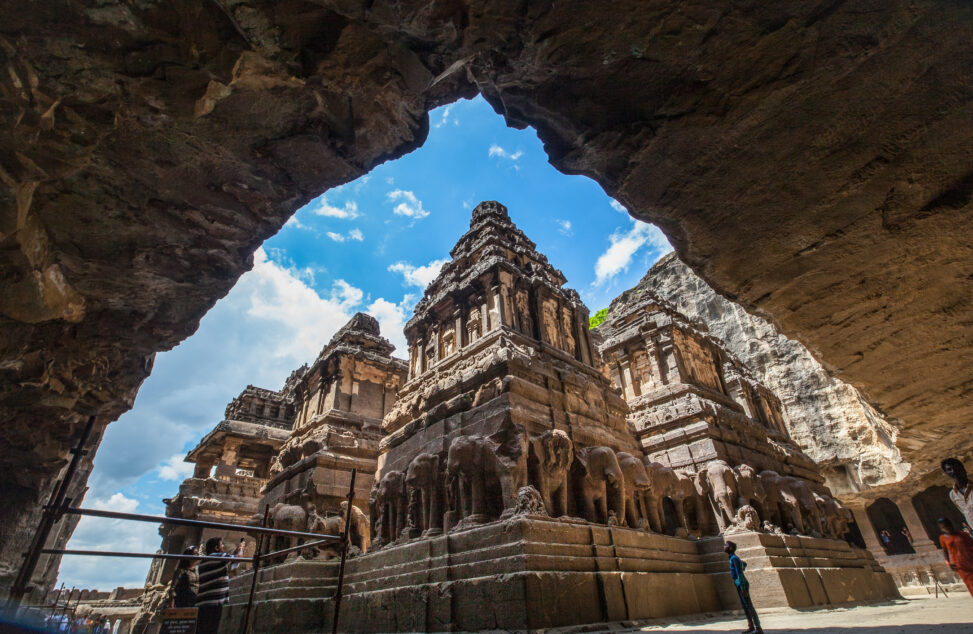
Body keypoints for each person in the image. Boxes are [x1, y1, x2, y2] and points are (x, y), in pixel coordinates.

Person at [196, 536, 245, 633]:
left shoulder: (202, 562)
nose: (223, 546)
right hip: (215, 603)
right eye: (221, 544)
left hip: (202, 603)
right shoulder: (219, 556)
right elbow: (238, 558)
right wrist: (241, 549)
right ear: (216, 548)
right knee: (212, 629)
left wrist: (235, 552)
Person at [724, 541, 763, 634]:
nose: (724, 547)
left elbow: (739, 573)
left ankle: (758, 628)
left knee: (749, 606)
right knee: (745, 606)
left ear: (730, 548)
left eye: (725, 545)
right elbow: (743, 564)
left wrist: (743, 587)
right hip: (738, 583)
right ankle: (751, 627)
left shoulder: (734, 558)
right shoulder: (733, 558)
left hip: (741, 584)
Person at [938, 517, 973, 596]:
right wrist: (948, 563)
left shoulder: (963, 534)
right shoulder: (943, 538)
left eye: (947, 526)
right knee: (970, 584)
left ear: (951, 525)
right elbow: (945, 551)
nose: (946, 528)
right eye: (943, 527)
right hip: (960, 565)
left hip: (970, 560)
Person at [941, 458, 973, 527]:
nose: (954, 471)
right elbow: (965, 513)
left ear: (963, 469)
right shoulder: (952, 495)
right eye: (949, 469)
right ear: (947, 473)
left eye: (957, 468)